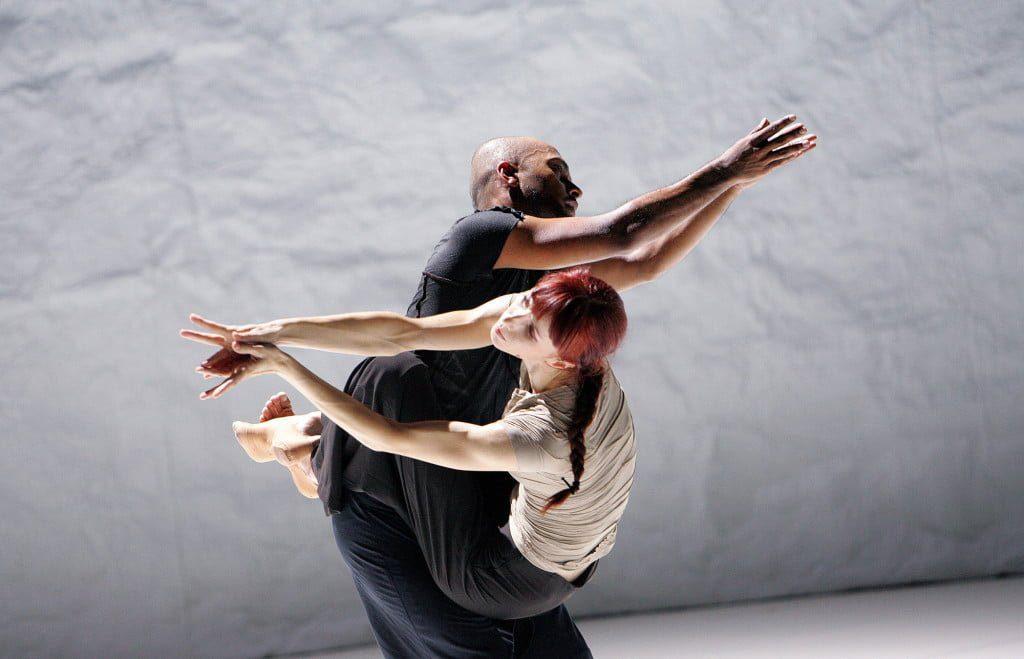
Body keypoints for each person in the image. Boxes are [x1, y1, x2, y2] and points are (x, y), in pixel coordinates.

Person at [181, 117, 816, 657]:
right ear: (509, 176)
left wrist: (734, 186)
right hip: (410, 421)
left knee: (425, 441)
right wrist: (725, 169)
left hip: (474, 445)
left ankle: (300, 446)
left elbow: (643, 261)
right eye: (557, 172)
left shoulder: (545, 297)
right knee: (390, 403)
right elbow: (621, 235)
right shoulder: (482, 236)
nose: (575, 188)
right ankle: (303, 452)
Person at [189, 267, 633, 621]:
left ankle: (306, 455)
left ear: (561, 360)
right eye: (527, 300)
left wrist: (283, 366)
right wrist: (264, 333)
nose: (510, 320)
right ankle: (310, 444)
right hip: (544, 534)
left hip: (501, 582)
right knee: (397, 373)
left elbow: (388, 437)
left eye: (531, 332)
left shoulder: (546, 434)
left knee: (395, 406)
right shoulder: (570, 344)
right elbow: (405, 332)